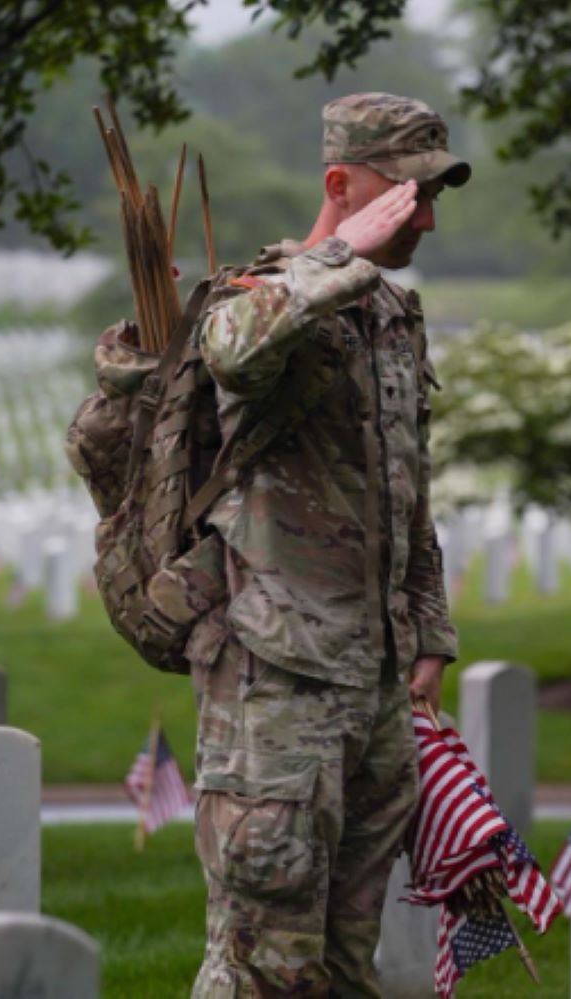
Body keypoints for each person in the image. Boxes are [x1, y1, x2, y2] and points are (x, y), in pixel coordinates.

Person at [187, 92, 469, 997]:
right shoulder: (265, 296)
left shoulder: (393, 315)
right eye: (407, 194)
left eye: (434, 196)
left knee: (350, 966)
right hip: (281, 688)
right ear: (340, 183)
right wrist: (338, 256)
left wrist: (426, 629)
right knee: (264, 960)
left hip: (374, 682)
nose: (423, 217)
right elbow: (231, 355)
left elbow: (403, 481)